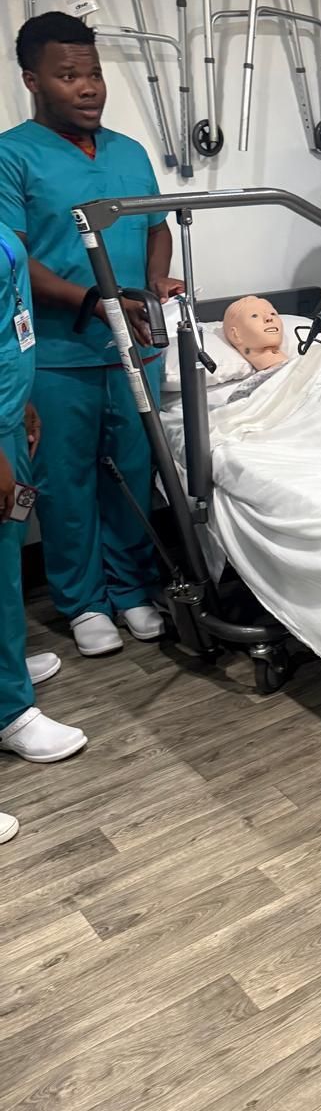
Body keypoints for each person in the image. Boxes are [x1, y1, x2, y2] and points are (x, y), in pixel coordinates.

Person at [0, 13, 182, 658]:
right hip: (55, 354)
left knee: (133, 473)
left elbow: (157, 226)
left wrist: (157, 281)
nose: (88, 87)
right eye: (68, 74)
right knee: (64, 480)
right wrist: (94, 300)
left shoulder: (130, 153)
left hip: (135, 347)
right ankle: (82, 603)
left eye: (94, 73)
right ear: (32, 80)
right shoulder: (12, 155)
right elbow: (14, 258)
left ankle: (131, 589)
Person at [0, 210, 87, 812]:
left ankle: (6, 664)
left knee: (7, 566)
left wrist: (22, 401)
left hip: (9, 414)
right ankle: (9, 711)